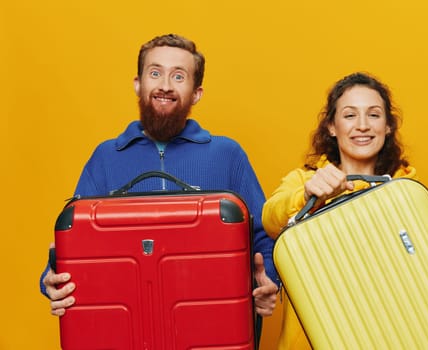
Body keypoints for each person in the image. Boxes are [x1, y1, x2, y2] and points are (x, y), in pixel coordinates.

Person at [40, 34, 278, 322]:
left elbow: (265, 235)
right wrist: (50, 280)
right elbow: (73, 241)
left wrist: (269, 283)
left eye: (179, 76)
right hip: (126, 328)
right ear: (138, 85)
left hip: (212, 324)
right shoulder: (105, 157)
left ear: (196, 92)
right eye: (155, 73)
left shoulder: (227, 154)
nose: (165, 85)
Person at [262, 72, 416, 349]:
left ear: (388, 126)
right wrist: (309, 195)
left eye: (373, 115)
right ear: (332, 126)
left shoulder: (408, 191)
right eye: (349, 115)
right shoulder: (303, 181)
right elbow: (271, 219)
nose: (362, 126)